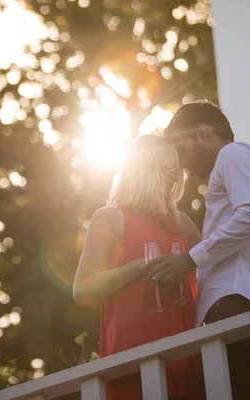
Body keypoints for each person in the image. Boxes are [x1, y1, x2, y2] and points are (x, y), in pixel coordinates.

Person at [146, 100, 250, 400]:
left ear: (203, 131)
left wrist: (189, 260)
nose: (181, 164)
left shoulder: (233, 154)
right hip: (243, 305)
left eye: (181, 150)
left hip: (236, 304)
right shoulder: (234, 164)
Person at [73, 134, 206, 400]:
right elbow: (82, 289)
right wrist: (139, 267)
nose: (175, 177)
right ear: (144, 170)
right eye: (167, 169)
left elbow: (213, 271)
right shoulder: (111, 218)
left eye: (176, 169)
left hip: (188, 356)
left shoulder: (182, 224)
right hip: (134, 361)